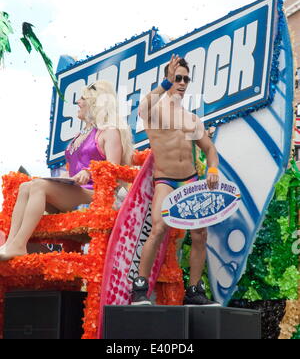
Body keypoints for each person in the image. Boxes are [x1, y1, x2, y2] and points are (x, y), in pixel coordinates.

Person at [0, 80, 133, 261]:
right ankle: (11, 243)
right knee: (25, 186)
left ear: (95, 103)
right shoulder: (81, 134)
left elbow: (113, 168)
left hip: (96, 195)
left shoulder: (109, 131)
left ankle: (19, 244)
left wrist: (89, 172)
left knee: (38, 186)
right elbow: (74, 169)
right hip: (75, 190)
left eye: (82, 98)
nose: (77, 102)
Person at [131, 54, 219, 306]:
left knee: (200, 233)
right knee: (158, 227)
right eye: (177, 78)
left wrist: (212, 170)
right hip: (165, 180)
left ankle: (194, 290)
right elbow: (143, 106)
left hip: (189, 180)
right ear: (169, 78)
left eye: (185, 79)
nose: (182, 82)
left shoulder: (191, 118)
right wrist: (166, 83)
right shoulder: (154, 113)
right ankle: (140, 288)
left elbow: (210, 150)